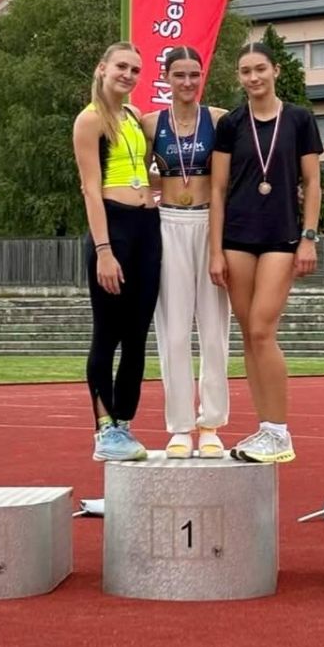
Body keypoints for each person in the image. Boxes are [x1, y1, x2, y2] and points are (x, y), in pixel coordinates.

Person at [209, 42, 323, 464]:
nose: (253, 77)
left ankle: (279, 431)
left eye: (260, 69)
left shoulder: (299, 119)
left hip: (282, 237)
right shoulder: (231, 124)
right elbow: (218, 190)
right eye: (245, 71)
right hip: (237, 238)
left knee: (261, 330)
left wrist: (309, 237)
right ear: (238, 77)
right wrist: (215, 250)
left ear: (276, 70)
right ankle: (265, 429)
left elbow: (313, 183)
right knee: (249, 335)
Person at [72, 41, 161, 461]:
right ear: (102, 68)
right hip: (113, 228)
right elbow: (90, 189)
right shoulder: (90, 119)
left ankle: (125, 422)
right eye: (121, 67)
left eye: (135, 70)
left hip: (147, 228)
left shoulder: (134, 116)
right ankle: (104, 429)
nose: (128, 75)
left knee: (137, 336)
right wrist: (104, 250)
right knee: (107, 334)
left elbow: (145, 172)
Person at [142, 46, 230, 459]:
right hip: (169, 223)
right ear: (166, 78)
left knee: (213, 331)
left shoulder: (219, 120)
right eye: (179, 75)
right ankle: (180, 427)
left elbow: (230, 179)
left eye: (194, 74)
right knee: (174, 332)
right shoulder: (150, 124)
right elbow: (135, 175)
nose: (188, 82)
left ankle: (210, 424)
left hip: (210, 224)